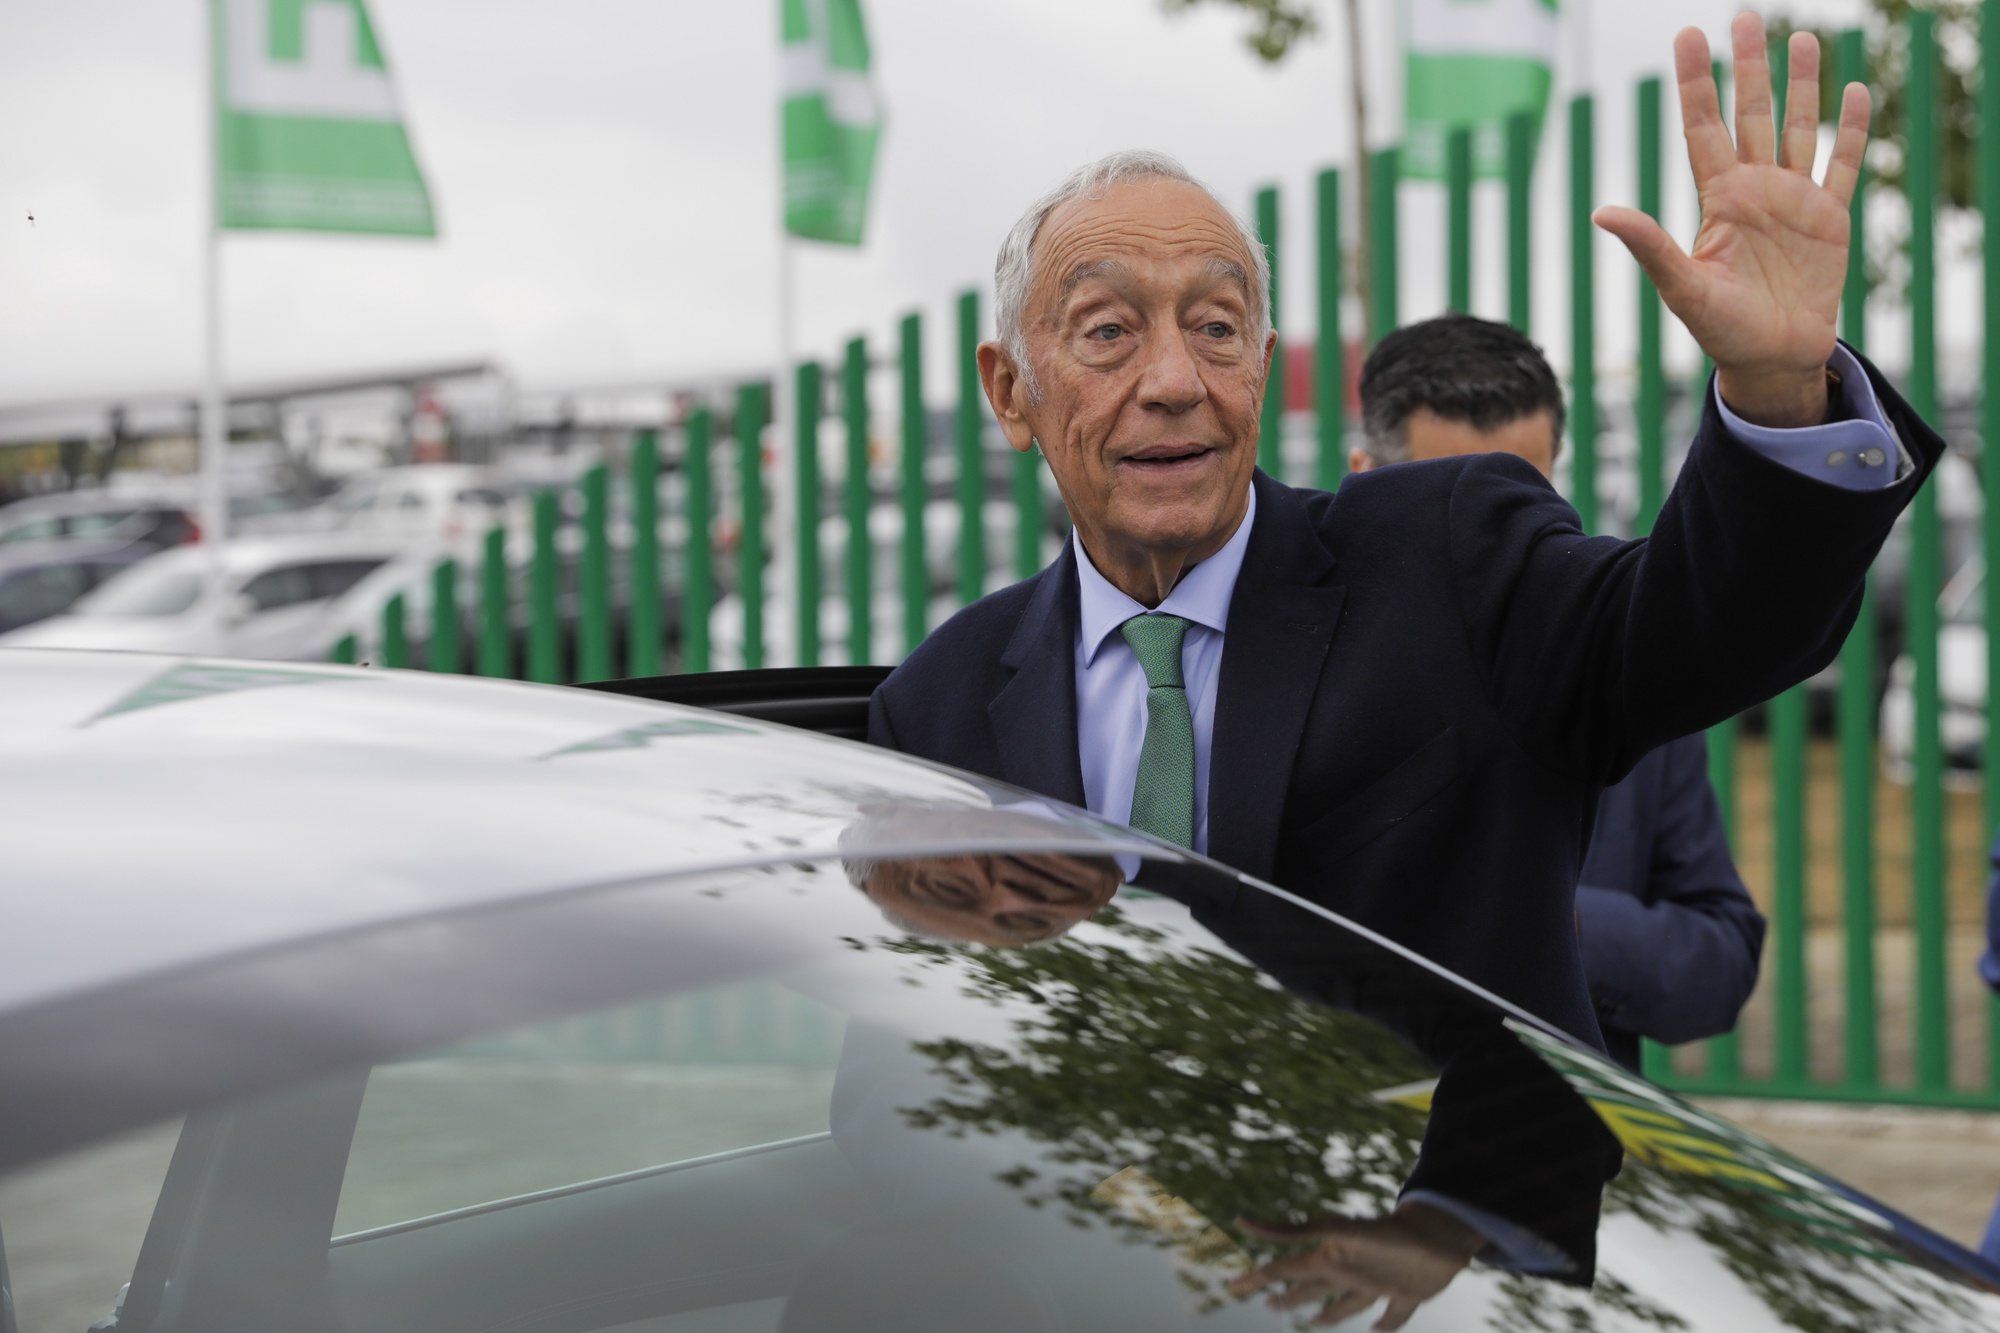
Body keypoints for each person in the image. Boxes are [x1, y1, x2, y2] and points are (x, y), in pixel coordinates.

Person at [868, 16, 1939, 1052]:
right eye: (1108, 331)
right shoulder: (934, 710)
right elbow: (908, 1062)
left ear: (1260, 361)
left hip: (1445, 1229)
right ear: (1009, 392)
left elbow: (1706, 627)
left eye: (1215, 327)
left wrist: (1775, 385)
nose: (1173, 382)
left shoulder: (1447, 560)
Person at [1350, 314, 1767, 1073]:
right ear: (1365, 478)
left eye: (1517, 499)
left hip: (1561, 1169)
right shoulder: (1287, 669)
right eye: (1449, 502)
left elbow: (1720, 960)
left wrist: (1553, 921)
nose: (1490, 542)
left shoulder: (1620, 673)